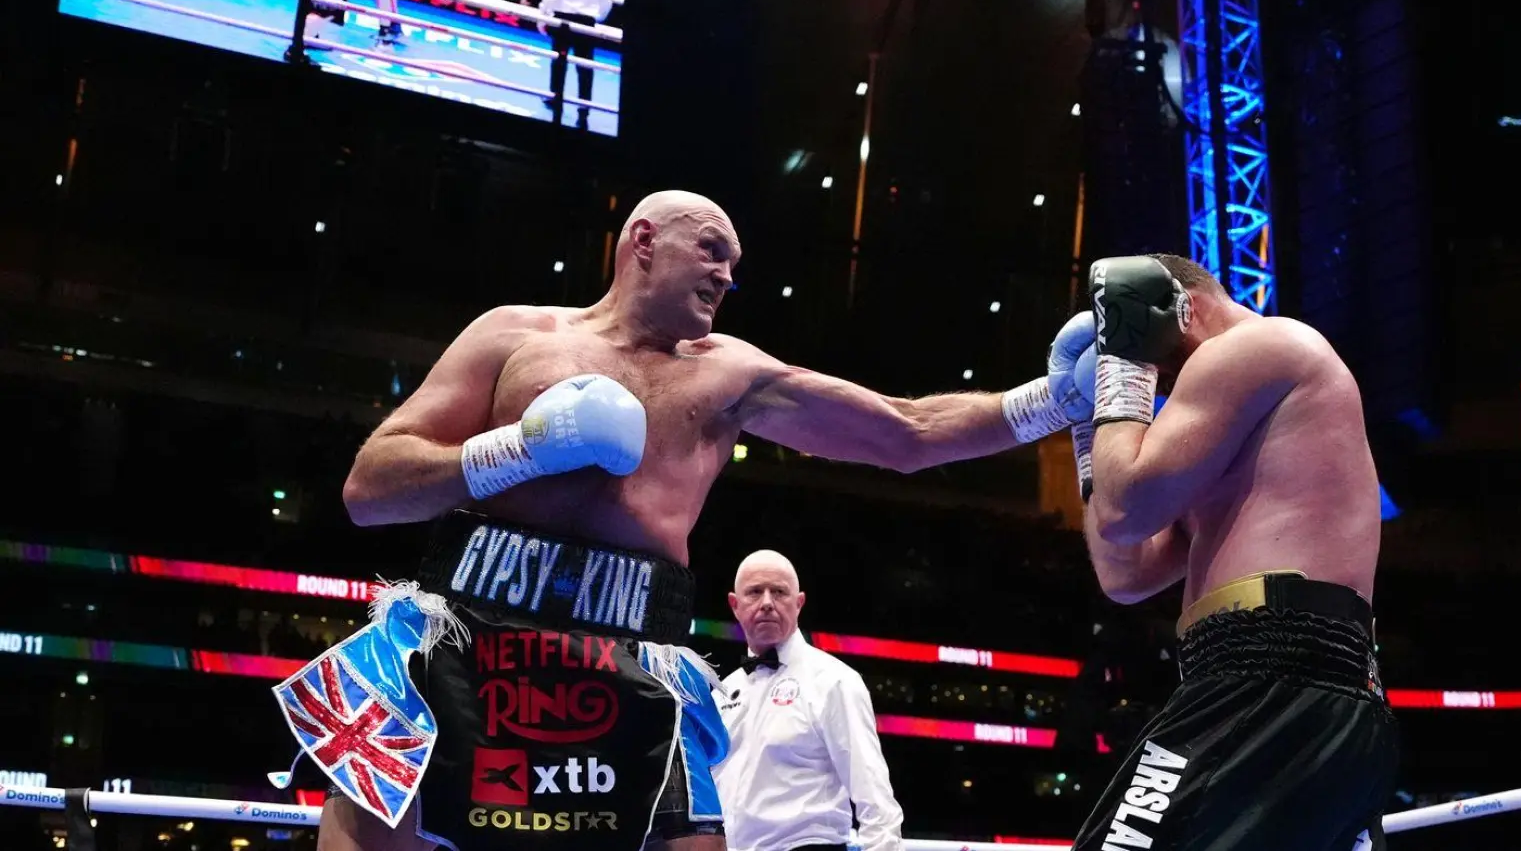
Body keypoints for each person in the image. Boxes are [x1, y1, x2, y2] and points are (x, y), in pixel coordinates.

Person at [311, 189, 1092, 851]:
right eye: (714, 250)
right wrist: (519, 449)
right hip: (461, 638)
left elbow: (907, 432)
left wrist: (1051, 401)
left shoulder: (732, 374)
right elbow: (369, 489)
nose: (727, 276)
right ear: (644, 241)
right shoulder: (513, 335)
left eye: (734, 266)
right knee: (367, 815)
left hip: (631, 660)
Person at [1053, 253, 1400, 851]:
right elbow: (1124, 570)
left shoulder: (1264, 344)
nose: (1153, 383)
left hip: (1272, 673)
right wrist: (1088, 425)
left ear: (1178, 308)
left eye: (1149, 359)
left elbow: (1123, 508)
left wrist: (1119, 371)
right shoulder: (1221, 434)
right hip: (1283, 684)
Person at [714, 550, 903, 851]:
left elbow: (874, 795)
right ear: (735, 605)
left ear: (798, 603)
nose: (766, 603)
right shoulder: (723, 691)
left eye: (778, 592)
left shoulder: (834, 681)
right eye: (754, 592)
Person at [536, 0, 613, 129]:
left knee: (559, 61)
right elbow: (605, 5)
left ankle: (556, 98)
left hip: (563, 20)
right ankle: (584, 109)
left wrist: (545, 16)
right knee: (585, 67)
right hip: (587, 23)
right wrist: (594, 17)